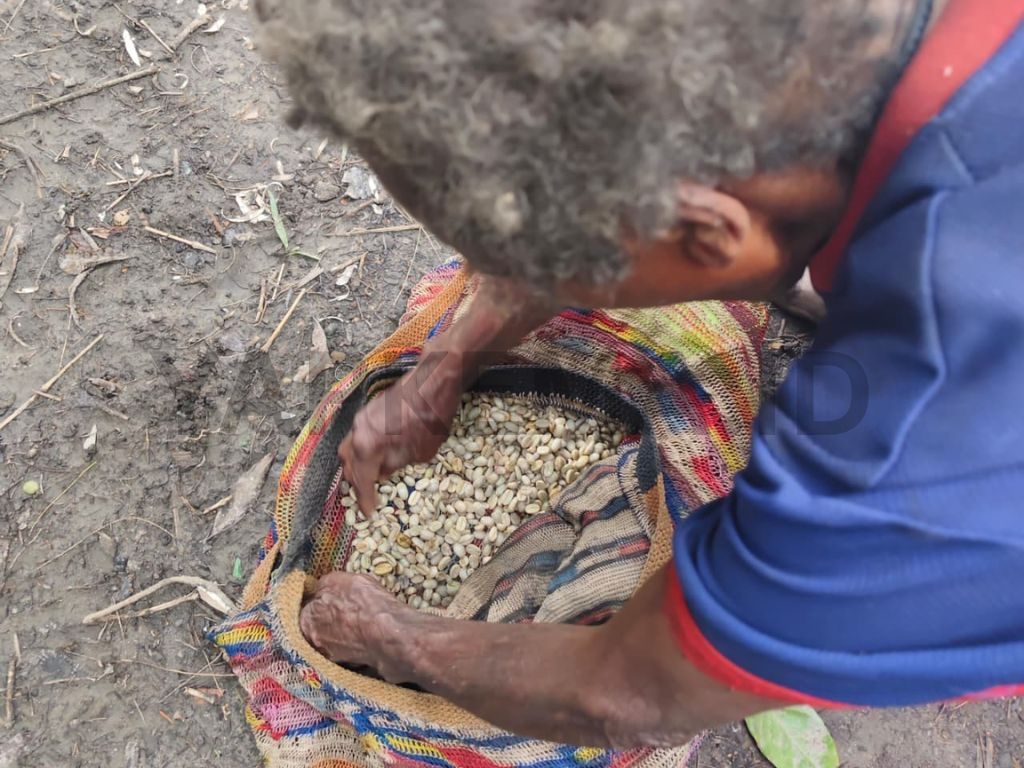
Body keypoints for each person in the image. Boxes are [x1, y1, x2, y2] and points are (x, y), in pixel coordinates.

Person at [253, 0, 1024, 748]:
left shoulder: (893, 451)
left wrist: (395, 638)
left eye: (554, 266)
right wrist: (447, 363)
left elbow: (629, 695)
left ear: (709, 232)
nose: (516, 280)